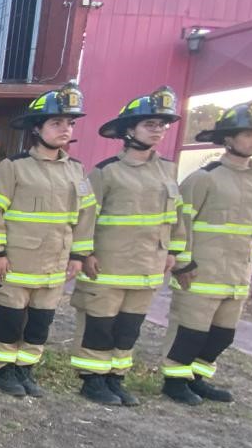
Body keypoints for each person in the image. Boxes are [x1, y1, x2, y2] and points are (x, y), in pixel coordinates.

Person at [70, 87, 186, 406]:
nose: (158, 130)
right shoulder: (106, 172)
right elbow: (85, 217)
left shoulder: (169, 171)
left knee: (129, 327)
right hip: (109, 263)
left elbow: (177, 216)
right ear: (129, 130)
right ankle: (92, 379)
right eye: (150, 124)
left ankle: (116, 377)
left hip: (148, 265)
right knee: (99, 324)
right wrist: (84, 253)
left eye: (162, 124)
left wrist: (174, 251)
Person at [0, 83, 96, 398]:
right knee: (9, 320)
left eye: (70, 123)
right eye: (57, 123)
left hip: (53, 264)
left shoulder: (76, 170)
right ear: (37, 128)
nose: (65, 129)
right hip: (17, 262)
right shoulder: (13, 168)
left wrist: (79, 255)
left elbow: (86, 215)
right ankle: (3, 371)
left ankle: (26, 370)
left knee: (40, 323)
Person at [162, 98, 252, 405]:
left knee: (222, 335)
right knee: (190, 331)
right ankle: (175, 380)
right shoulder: (204, 178)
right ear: (228, 138)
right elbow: (180, 223)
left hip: (237, 275)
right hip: (202, 273)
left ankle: (198, 379)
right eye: (249, 133)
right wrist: (182, 263)